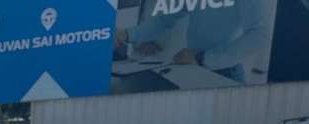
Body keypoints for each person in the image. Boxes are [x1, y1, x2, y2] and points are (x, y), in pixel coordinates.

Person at [115, 0, 274, 83]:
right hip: (193, 70)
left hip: (226, 75)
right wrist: (128, 35)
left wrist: (204, 58)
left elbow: (259, 35)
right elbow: (164, 20)